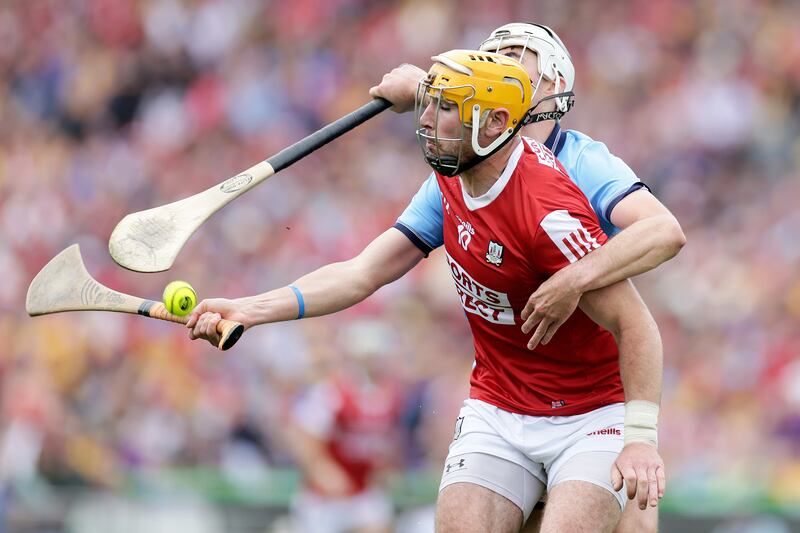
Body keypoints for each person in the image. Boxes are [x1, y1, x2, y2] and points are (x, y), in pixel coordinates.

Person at [187, 49, 665, 533]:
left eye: (445, 109)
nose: (431, 122)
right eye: (430, 106)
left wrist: (642, 436)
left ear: (496, 123)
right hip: (499, 405)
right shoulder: (450, 177)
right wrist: (249, 309)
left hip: (588, 415)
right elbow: (360, 274)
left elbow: (636, 324)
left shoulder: (548, 207)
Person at [368, 23, 684, 532]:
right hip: (510, 400)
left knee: (635, 522)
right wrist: (425, 89)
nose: (503, 64)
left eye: (518, 57)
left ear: (554, 85)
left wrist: (574, 280)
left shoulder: (583, 160)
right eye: (494, 56)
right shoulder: (466, 163)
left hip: (594, 394)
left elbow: (665, 231)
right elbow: (366, 272)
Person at [285, 321, 403, 533]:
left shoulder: (388, 396)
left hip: (362, 490)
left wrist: (383, 469)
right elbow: (303, 436)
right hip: (325, 498)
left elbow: (382, 444)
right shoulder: (332, 393)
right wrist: (322, 470)